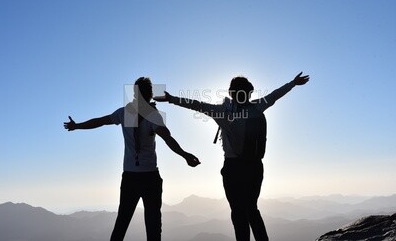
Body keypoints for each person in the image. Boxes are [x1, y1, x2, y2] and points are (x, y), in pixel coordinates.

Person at [154, 72, 309, 241]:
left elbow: (196, 105)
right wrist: (293, 83)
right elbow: (274, 96)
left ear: (231, 93)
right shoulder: (257, 107)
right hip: (255, 166)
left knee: (238, 212)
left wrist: (171, 99)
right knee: (252, 209)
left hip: (233, 168)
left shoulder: (221, 111)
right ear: (249, 93)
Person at [64, 77, 200, 241]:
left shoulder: (124, 113)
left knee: (122, 223)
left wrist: (77, 126)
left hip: (130, 177)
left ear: (134, 94)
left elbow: (100, 122)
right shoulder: (152, 116)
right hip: (149, 177)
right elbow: (168, 138)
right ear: (149, 95)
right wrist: (185, 155)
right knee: (153, 226)